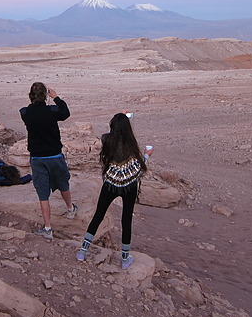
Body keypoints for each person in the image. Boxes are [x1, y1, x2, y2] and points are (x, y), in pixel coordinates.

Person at [76, 113, 154, 269]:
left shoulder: (106, 139)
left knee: (98, 215)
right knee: (126, 220)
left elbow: (115, 135)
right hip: (129, 186)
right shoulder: (131, 143)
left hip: (110, 183)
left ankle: (83, 251)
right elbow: (139, 168)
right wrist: (146, 155)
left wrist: (123, 118)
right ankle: (125, 259)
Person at [19, 82, 78, 239]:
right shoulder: (52, 111)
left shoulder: (25, 113)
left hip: (37, 157)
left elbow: (29, 112)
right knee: (63, 183)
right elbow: (65, 113)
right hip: (54, 155)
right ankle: (70, 209)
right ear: (45, 95)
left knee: (43, 193)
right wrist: (56, 97)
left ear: (31, 95)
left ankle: (47, 228)